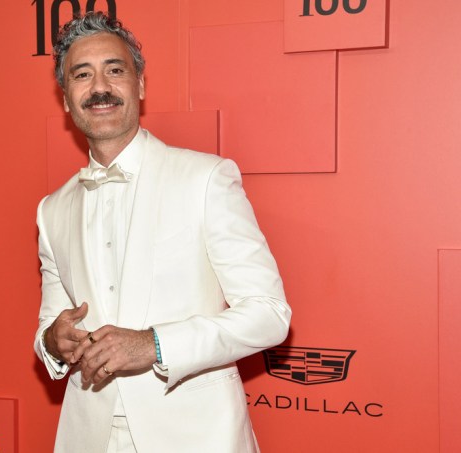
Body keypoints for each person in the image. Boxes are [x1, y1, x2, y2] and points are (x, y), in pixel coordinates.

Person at [34, 12, 291, 453]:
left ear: (140, 86)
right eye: (82, 75)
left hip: (196, 436)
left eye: (115, 70)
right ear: (66, 99)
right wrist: (53, 342)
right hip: (88, 437)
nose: (99, 87)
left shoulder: (205, 178)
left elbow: (269, 314)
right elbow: (51, 325)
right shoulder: (52, 209)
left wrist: (154, 345)